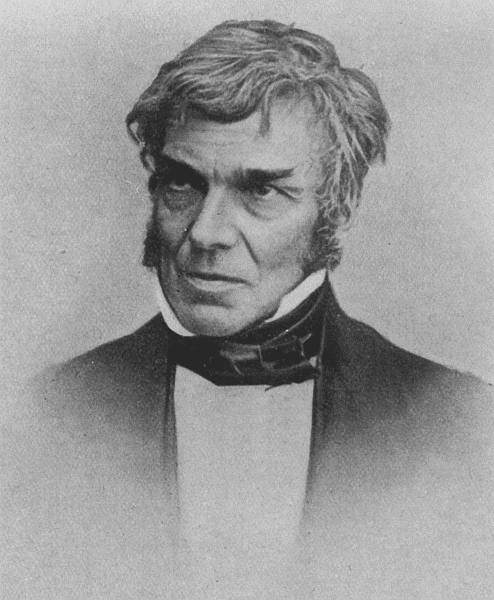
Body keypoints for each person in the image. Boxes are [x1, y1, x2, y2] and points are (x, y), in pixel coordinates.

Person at [9, 19, 493, 599]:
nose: (206, 233)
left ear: (337, 208)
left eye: (261, 191)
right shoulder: (50, 413)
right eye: (182, 184)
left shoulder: (460, 424)